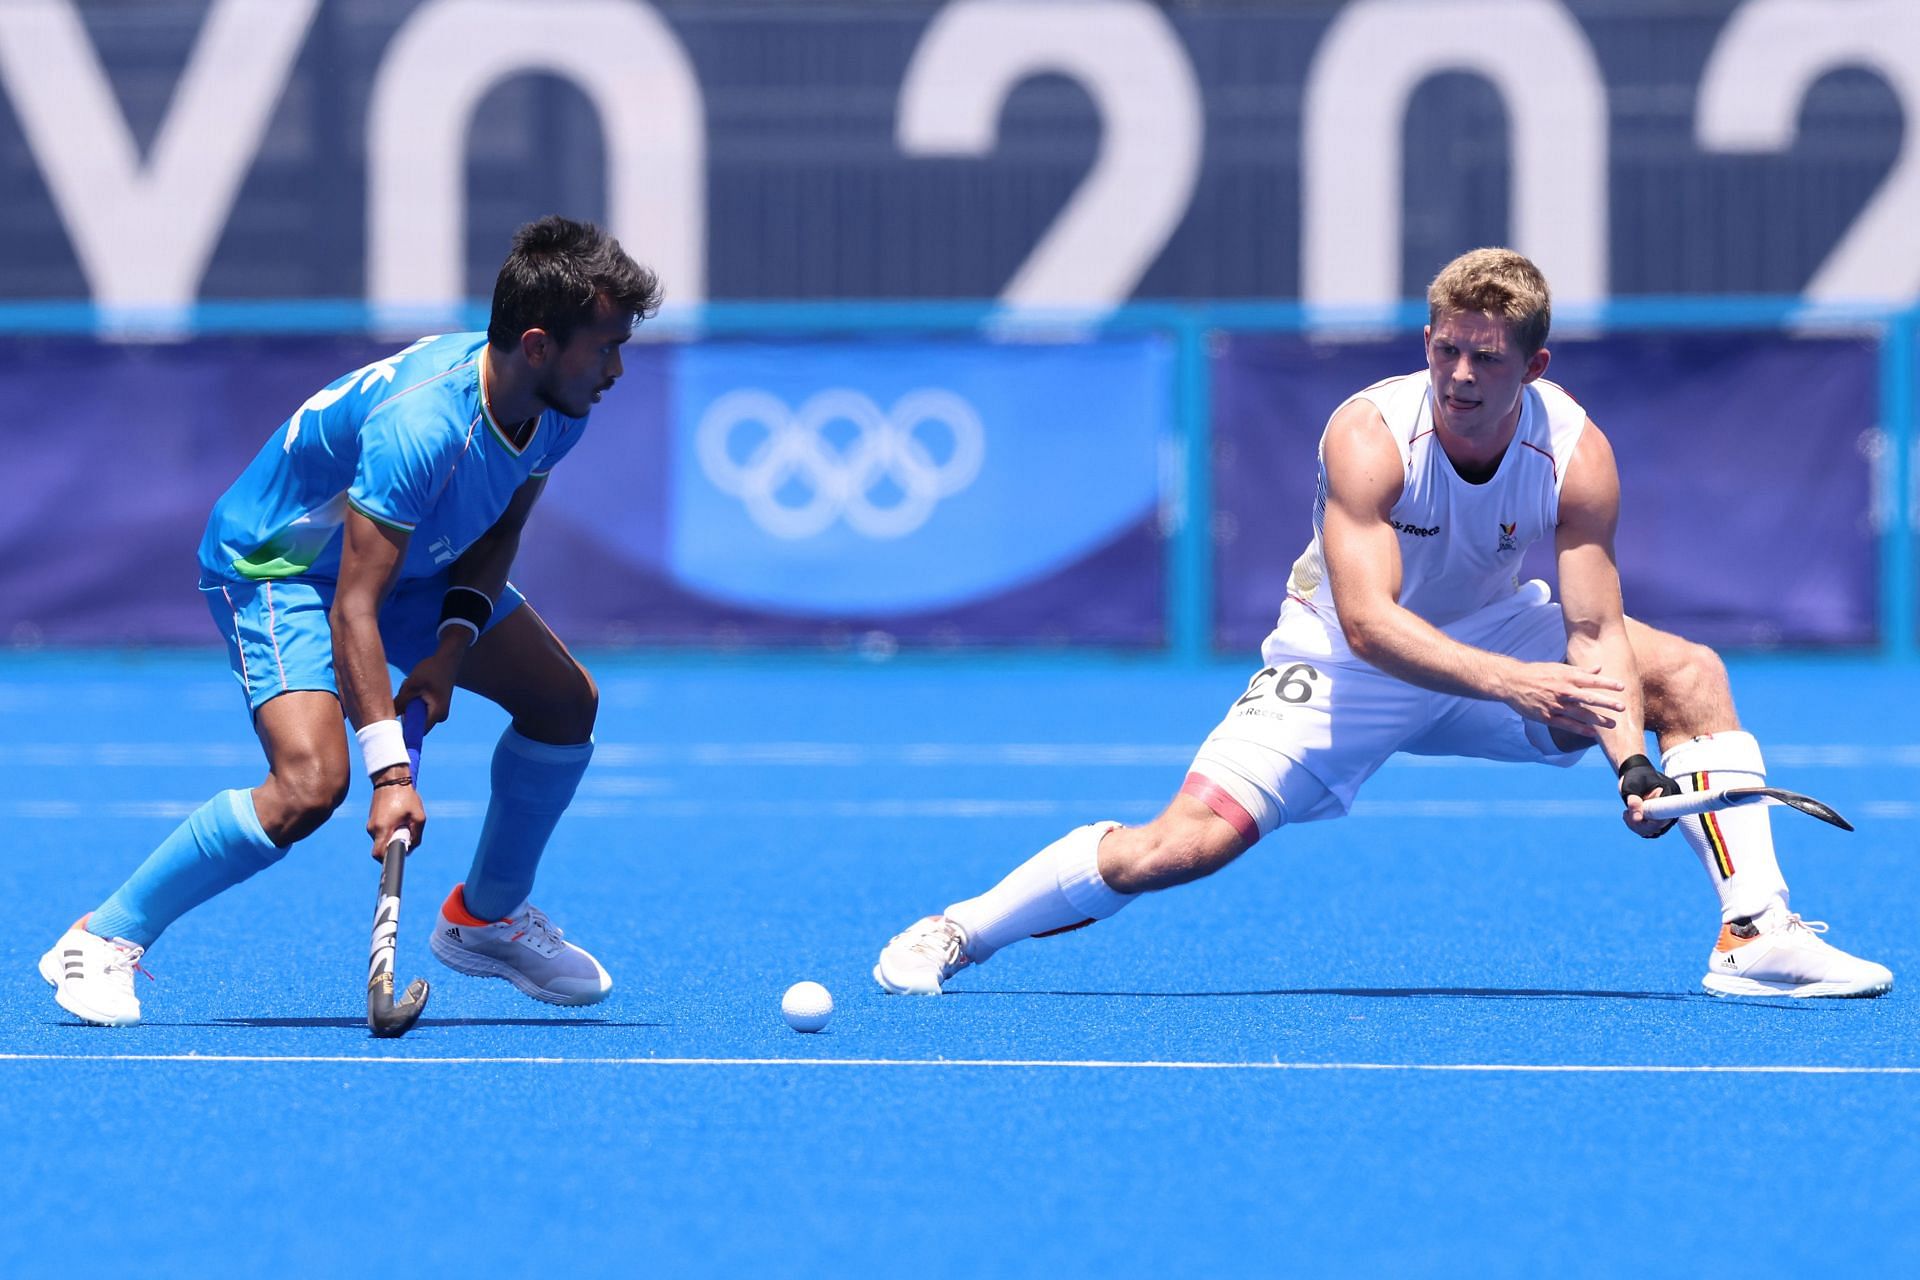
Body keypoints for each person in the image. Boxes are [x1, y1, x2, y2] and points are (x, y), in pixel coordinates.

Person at [874, 247, 1893, 1002]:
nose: (1459, 376)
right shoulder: (1369, 435)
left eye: (1485, 360)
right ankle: (958, 928)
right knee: (1178, 848)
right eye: (1446, 350)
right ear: (1426, 342)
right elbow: (1367, 622)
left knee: (1690, 678)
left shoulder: (1577, 454)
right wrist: (1517, 684)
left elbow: (1595, 628)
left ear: (1533, 366)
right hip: (1342, 660)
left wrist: (1630, 762)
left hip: (1497, 629)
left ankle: (1755, 931)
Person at [39, 215, 662, 1027]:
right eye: (605, 346)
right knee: (309, 786)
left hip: (413, 559)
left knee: (564, 704)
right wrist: (393, 777)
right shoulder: (422, 426)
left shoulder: (560, 405)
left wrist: (449, 649)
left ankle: (485, 920)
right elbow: (353, 605)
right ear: (538, 344)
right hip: (283, 566)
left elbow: (500, 527)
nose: (618, 367)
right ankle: (105, 936)